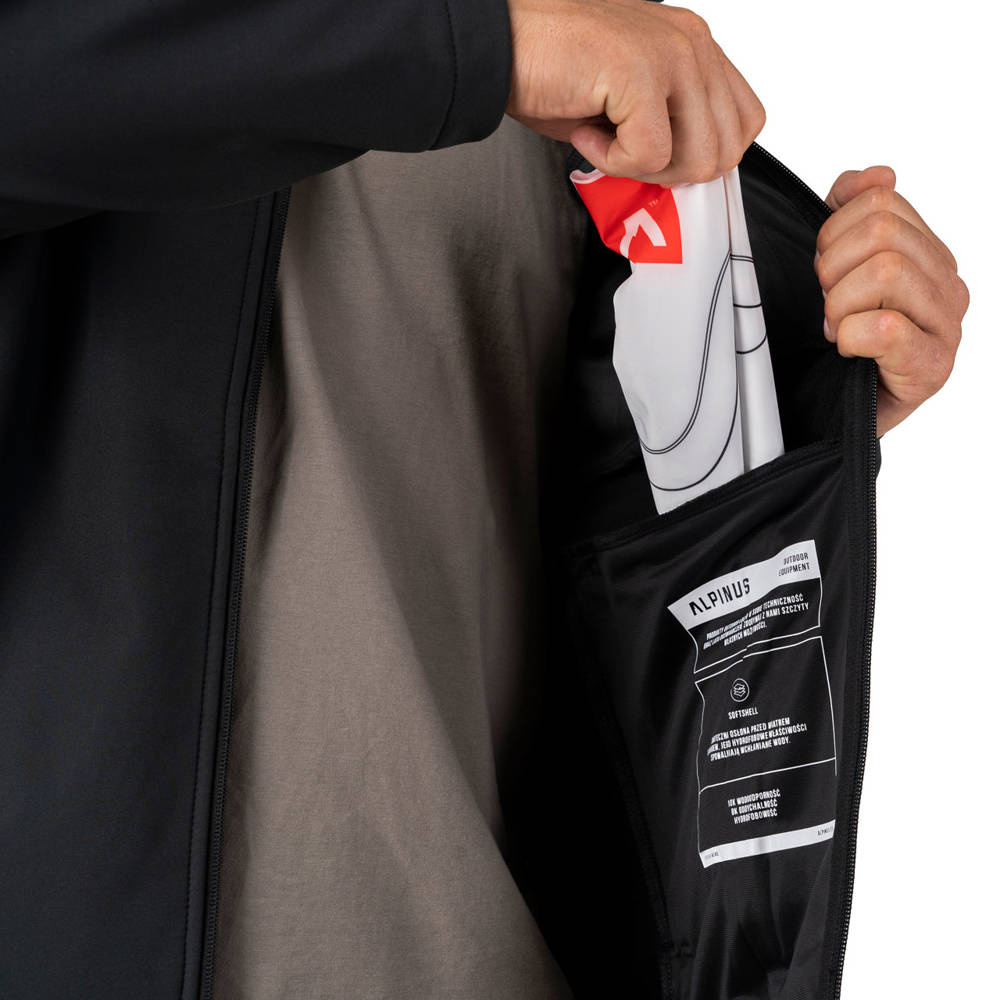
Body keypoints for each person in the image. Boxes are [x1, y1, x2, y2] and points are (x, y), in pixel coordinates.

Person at [0, 1, 968, 998]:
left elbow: (570, 518)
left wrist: (799, 395)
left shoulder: (564, 37)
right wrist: (478, 45)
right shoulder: (498, 33)